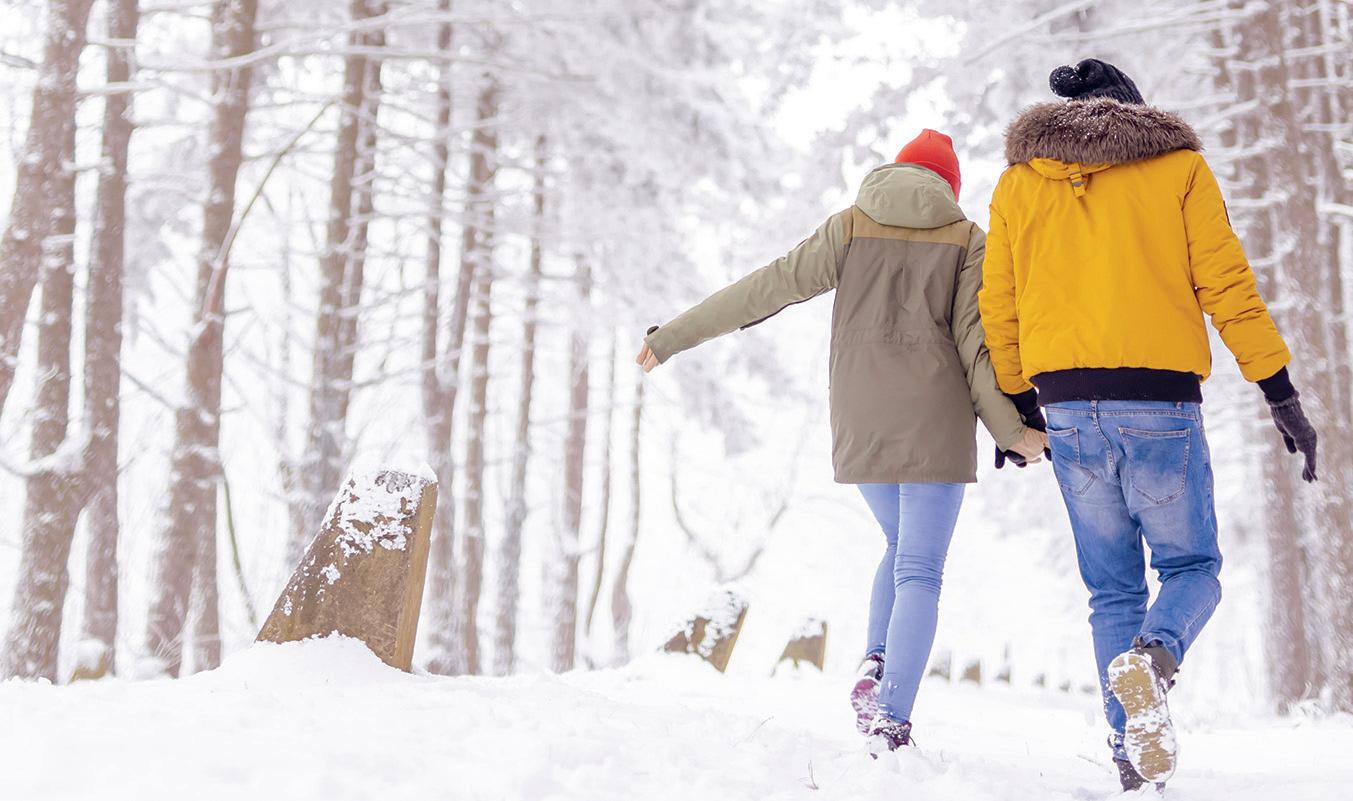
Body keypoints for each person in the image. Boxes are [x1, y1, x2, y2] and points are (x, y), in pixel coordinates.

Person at [635, 130, 1049, 755]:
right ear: (949, 187)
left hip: (860, 416)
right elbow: (975, 348)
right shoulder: (967, 240)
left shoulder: (850, 226)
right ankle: (890, 718)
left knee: (898, 545)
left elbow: (766, 287)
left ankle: (876, 662)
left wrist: (671, 336)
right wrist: (1014, 435)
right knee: (920, 569)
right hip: (933, 419)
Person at [979, 59, 1320, 791]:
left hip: (1067, 408)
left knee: (1111, 591)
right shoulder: (1178, 170)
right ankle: (1155, 658)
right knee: (1192, 569)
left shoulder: (1018, 184)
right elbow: (1227, 285)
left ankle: (1129, 755)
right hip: (1160, 403)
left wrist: (1017, 404)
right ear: (1135, 113)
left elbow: (998, 302)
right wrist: (1278, 391)